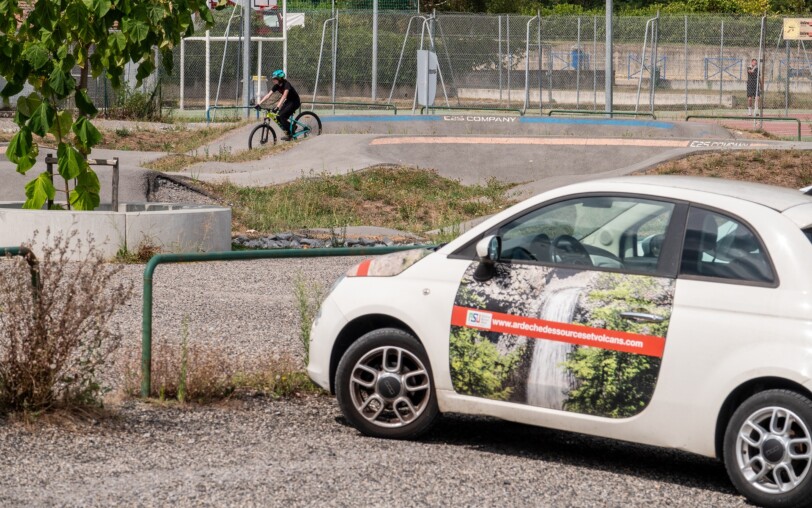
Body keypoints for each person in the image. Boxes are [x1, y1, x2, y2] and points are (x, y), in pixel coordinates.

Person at [257, 69, 301, 141]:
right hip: (288, 101)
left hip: (294, 102)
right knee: (278, 117)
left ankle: (291, 133)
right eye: (273, 79)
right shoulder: (276, 86)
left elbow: (284, 96)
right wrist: (259, 103)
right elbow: (268, 95)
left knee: (282, 116)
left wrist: (277, 107)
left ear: (279, 79)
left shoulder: (287, 84)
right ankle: (292, 128)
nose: (273, 80)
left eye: (275, 79)